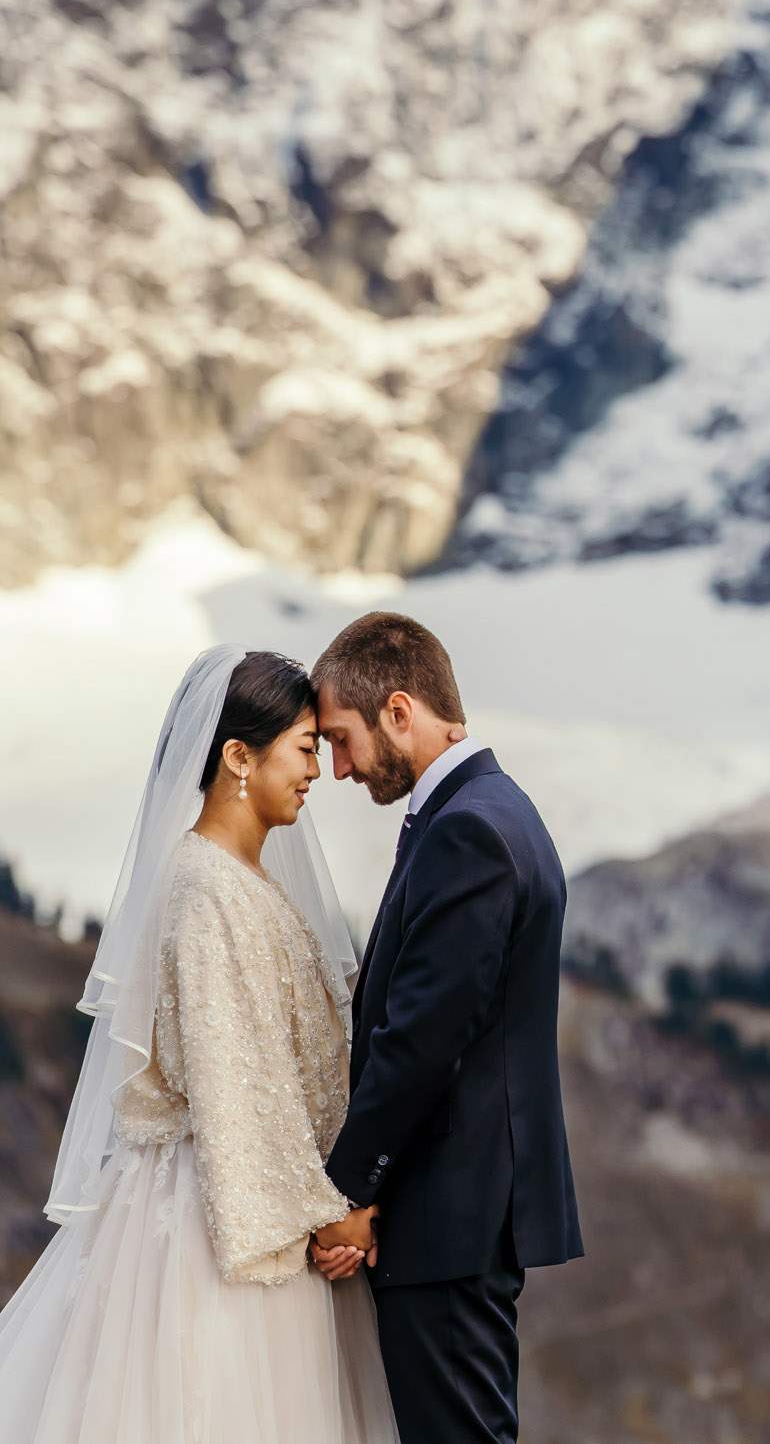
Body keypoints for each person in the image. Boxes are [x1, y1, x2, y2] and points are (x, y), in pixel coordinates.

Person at [0, 648, 398, 1444]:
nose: (317, 771)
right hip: (224, 1224)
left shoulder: (247, 881)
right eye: (305, 747)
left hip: (267, 1207)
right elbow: (234, 1085)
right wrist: (330, 1217)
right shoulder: (205, 888)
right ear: (239, 754)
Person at [312, 612, 583, 1444]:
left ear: (400, 710)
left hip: (449, 1216)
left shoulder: (468, 829)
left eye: (343, 738)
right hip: (457, 1211)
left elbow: (425, 1037)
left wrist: (349, 1192)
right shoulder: (484, 810)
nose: (337, 767)